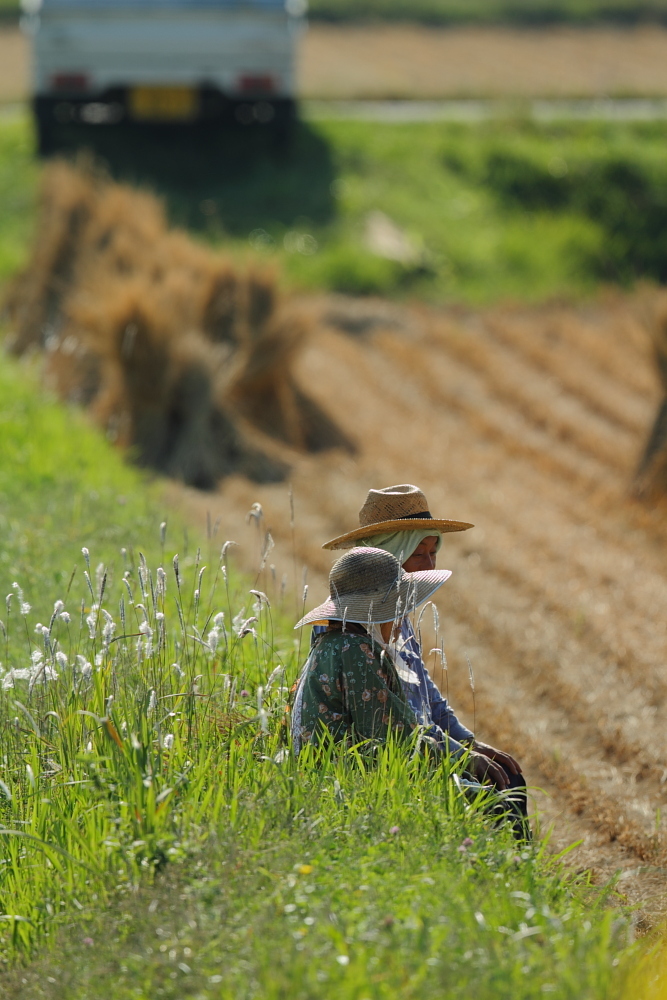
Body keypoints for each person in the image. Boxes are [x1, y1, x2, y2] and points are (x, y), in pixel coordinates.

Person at [292, 546, 529, 839]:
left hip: (353, 774)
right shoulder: (356, 652)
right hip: (348, 784)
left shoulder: (342, 643)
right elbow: (394, 739)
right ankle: (512, 871)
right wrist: (465, 759)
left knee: (501, 787)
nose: (403, 619)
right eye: (398, 609)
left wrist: (464, 751)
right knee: (497, 803)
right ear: (377, 611)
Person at [318, 484, 528, 809]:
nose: (429, 564)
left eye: (434, 552)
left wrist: (471, 745)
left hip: (421, 750)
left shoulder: (395, 620)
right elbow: (391, 732)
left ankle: (519, 860)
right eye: (418, 553)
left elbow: (427, 696)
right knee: (493, 802)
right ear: (387, 556)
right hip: (391, 765)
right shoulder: (350, 636)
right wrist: (461, 758)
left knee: (511, 782)